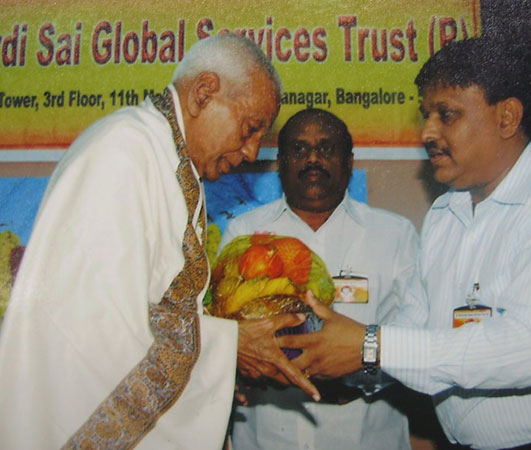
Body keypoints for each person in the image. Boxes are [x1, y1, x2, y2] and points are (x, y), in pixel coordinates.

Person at [0, 33, 319, 450]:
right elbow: (97, 336)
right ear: (203, 93)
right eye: (250, 128)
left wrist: (214, 382)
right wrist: (229, 350)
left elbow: (156, 315)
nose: (252, 151)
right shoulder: (123, 154)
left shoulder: (166, 161)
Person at [280, 38, 531, 449]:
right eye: (426, 115)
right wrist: (325, 356)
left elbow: (528, 349)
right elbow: (414, 324)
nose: (427, 132)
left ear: (506, 117)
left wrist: (370, 346)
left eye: (447, 115)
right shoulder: (446, 213)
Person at [219, 108, 419, 449]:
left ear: (348, 161)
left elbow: (414, 338)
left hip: (367, 433)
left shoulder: (395, 234)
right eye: (299, 149)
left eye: (326, 148)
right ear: (281, 162)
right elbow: (225, 334)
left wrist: (355, 371)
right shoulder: (244, 233)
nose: (312, 159)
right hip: (268, 435)